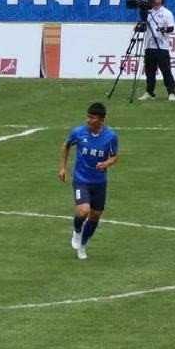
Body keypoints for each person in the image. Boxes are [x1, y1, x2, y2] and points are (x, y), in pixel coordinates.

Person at [59, 103, 119, 260]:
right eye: (88, 116)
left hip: (99, 182)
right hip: (81, 180)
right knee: (83, 211)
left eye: (92, 117)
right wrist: (63, 168)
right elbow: (66, 146)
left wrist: (107, 163)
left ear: (101, 119)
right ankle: (77, 231)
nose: (88, 120)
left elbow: (115, 156)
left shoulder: (111, 136)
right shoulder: (79, 133)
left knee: (95, 216)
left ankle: (83, 244)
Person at [138, 0, 175, 101]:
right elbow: (143, 21)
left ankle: (171, 92)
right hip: (149, 46)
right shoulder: (149, 12)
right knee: (149, 71)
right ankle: (150, 92)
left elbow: (171, 28)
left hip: (161, 47)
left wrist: (163, 29)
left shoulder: (167, 12)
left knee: (166, 70)